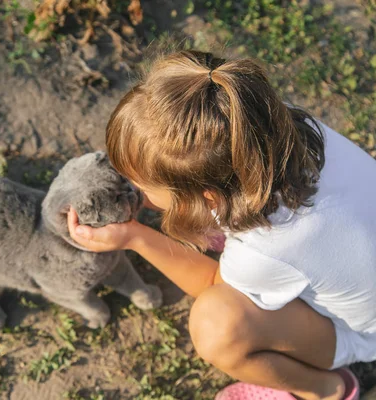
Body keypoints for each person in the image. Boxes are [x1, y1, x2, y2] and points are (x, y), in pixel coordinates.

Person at [67, 50, 376, 400]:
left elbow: (215, 286)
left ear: (208, 198)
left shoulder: (268, 245)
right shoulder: (259, 122)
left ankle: (327, 390)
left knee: (216, 326)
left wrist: (136, 237)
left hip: (362, 330)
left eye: (143, 185)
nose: (131, 186)